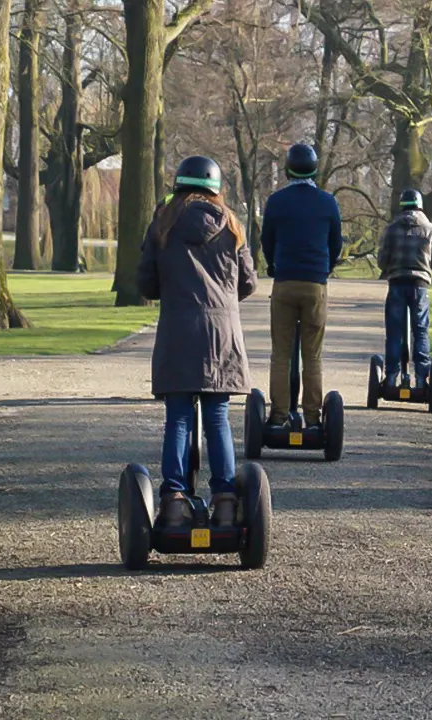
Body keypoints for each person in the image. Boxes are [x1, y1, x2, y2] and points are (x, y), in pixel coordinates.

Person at [137, 156, 258, 529]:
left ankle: (174, 500)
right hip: (222, 335)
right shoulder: (233, 225)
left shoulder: (162, 223)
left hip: (178, 331)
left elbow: (145, 284)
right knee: (217, 418)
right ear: (215, 188)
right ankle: (224, 500)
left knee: (178, 418)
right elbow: (249, 282)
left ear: (178, 185)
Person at [260, 143, 343, 428]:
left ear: (287, 170)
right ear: (315, 169)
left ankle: (279, 416)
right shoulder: (328, 202)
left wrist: (273, 265)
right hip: (315, 284)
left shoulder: (276, 202)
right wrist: (324, 269)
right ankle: (313, 418)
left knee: (281, 354)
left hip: (284, 282)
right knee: (312, 356)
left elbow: (267, 241)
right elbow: (336, 244)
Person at [377, 189, 432, 388]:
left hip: (396, 284)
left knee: (394, 332)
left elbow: (382, 261)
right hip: (419, 286)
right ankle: (422, 379)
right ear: (420, 205)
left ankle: (390, 378)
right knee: (421, 331)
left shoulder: (391, 229)